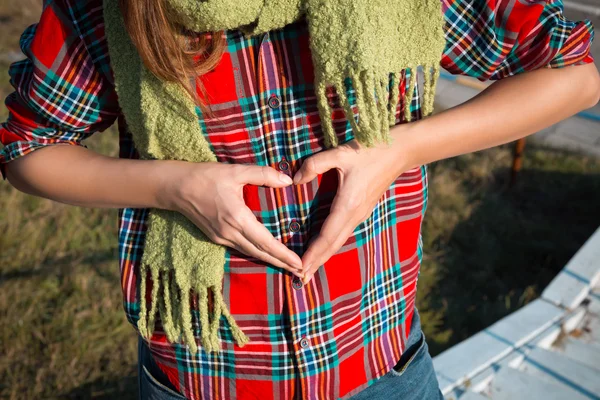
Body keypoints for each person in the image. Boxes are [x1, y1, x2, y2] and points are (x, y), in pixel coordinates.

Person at [1, 0, 598, 399]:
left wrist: (400, 151)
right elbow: (27, 149)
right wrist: (172, 185)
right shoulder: (108, 9)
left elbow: (575, 70)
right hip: (206, 377)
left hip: (379, 365)